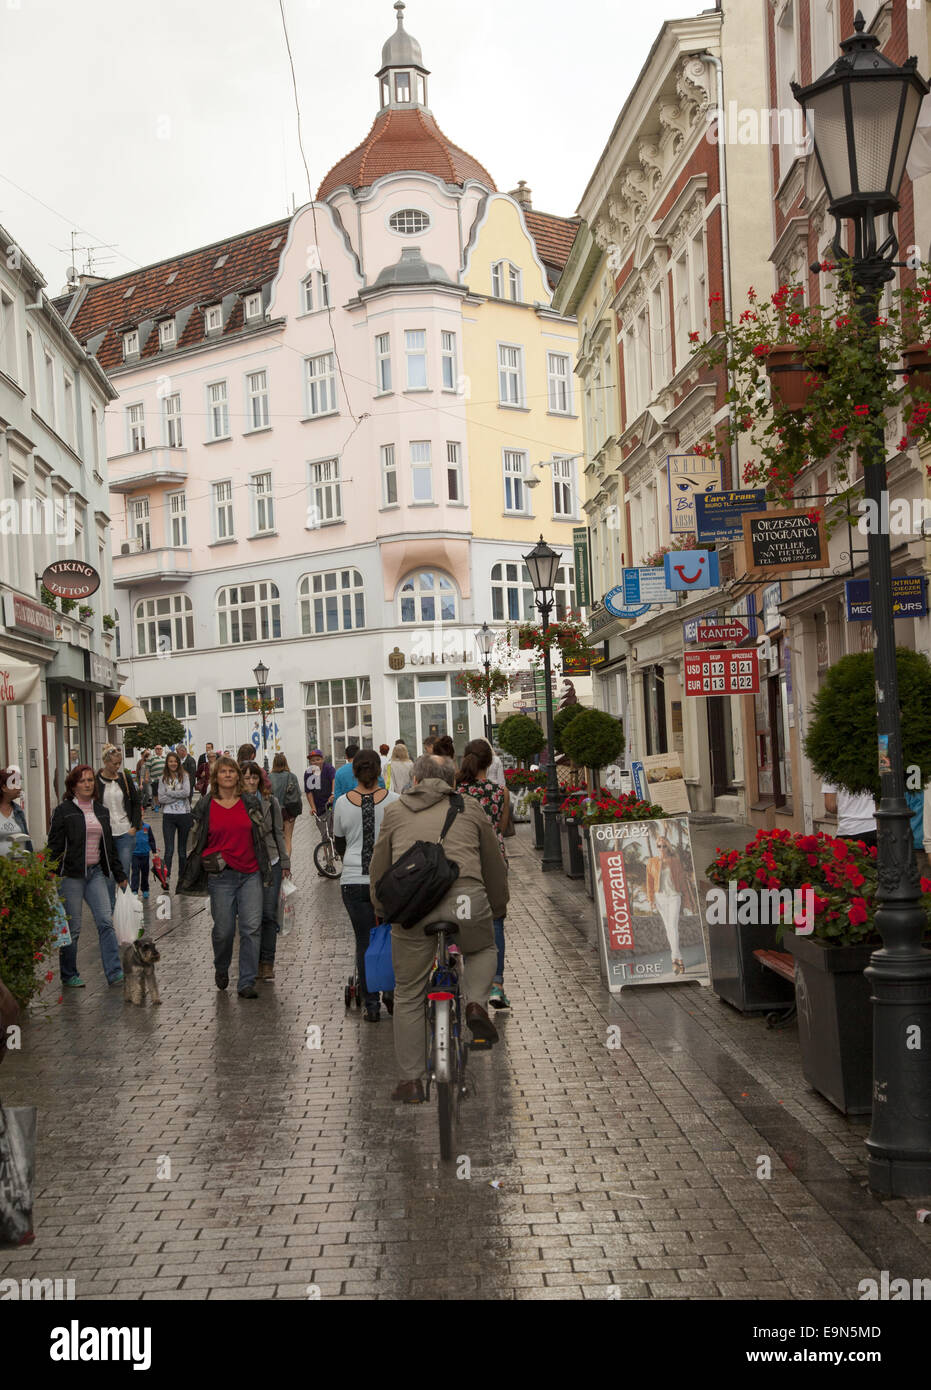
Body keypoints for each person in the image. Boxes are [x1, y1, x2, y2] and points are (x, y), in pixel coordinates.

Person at [369, 754, 508, 1103]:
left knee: (409, 993)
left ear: (415, 779)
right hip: (467, 901)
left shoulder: (396, 811)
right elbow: (493, 862)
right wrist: (498, 905)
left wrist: (382, 908)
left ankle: (411, 1081)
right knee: (481, 948)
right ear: (452, 782)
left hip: (415, 909)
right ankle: (476, 1003)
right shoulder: (471, 807)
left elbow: (379, 867)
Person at [178, 755, 270, 999]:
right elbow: (195, 839)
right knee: (224, 930)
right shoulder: (206, 805)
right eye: (223, 772)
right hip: (221, 876)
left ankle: (247, 982)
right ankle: (221, 966)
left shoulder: (249, 802)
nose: (228, 775)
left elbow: (262, 835)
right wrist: (202, 859)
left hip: (250, 873)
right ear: (215, 777)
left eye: (232, 771)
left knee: (251, 928)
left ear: (238, 776)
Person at [47, 763, 128, 988]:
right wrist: (48, 874)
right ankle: (69, 973)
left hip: (96, 874)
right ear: (73, 785)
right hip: (71, 876)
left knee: (105, 921)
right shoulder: (63, 811)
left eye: (90, 780)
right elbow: (53, 845)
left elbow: (109, 847)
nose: (87, 784)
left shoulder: (101, 810)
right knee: (73, 927)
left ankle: (114, 972)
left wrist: (120, 873)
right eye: (82, 781)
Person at [333, 748, 398, 1021]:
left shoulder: (342, 803)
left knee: (364, 941)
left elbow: (339, 843)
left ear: (354, 772)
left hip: (354, 880)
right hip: (388, 880)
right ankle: (391, 994)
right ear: (379, 771)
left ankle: (370, 1004)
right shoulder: (395, 801)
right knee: (391, 938)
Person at [457, 739, 512, 1009]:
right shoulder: (500, 791)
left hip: (463, 860)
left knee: (466, 919)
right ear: (490, 763)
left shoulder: (456, 792)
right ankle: (497, 986)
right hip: (493, 860)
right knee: (496, 921)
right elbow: (501, 829)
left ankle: (472, 984)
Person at [240, 761, 290, 982]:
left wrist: (286, 862)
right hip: (246, 864)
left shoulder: (271, 802)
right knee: (252, 917)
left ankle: (267, 962)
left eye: (254, 777)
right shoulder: (236, 803)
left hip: (272, 861)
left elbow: (279, 833)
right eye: (247, 777)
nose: (251, 782)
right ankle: (253, 961)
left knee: (269, 914)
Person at [646, 829, 698, 976]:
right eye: (659, 846)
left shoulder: (675, 861)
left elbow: (682, 882)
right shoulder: (652, 862)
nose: (661, 849)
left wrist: (687, 901)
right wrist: (651, 900)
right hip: (660, 898)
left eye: (663, 846)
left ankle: (676, 958)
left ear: (668, 847)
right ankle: (677, 960)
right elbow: (649, 883)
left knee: (672, 926)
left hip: (675, 896)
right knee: (668, 928)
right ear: (656, 847)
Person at [96, 743, 141, 908]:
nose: (117, 766)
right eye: (114, 763)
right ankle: (111, 907)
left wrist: (134, 827)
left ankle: (125, 907)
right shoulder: (96, 781)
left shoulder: (124, 779)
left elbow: (136, 803)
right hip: (105, 834)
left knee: (123, 871)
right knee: (108, 872)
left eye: (119, 763)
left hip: (124, 831)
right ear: (105, 762)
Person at [157, 750, 193, 889]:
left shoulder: (184, 776)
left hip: (184, 815)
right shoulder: (162, 778)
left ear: (178, 762)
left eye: (175, 761)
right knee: (169, 849)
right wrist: (177, 795)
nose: (173, 764)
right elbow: (161, 798)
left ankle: (182, 879)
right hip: (168, 816)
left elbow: (186, 793)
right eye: (170, 761)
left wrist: (170, 793)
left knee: (182, 851)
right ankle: (166, 878)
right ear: (167, 763)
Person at [822, 781, 877, 849]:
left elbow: (830, 806)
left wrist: (846, 811)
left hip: (848, 828)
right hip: (874, 826)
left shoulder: (829, 771)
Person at [270, 752, 302, 858]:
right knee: (288, 838)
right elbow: (298, 794)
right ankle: (287, 864)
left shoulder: (269, 777)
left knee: (277, 839)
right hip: (289, 810)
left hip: (274, 811)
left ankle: (279, 863)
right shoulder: (292, 776)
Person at [0, 766, 32, 855]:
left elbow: (26, 840)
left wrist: (31, 862)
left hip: (17, 867)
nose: (19, 788)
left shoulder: (18, 811)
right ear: (4, 787)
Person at [131, 819, 157, 899]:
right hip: (134, 854)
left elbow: (151, 840)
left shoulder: (147, 827)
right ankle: (134, 890)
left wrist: (154, 851)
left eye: (141, 815)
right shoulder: (131, 827)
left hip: (145, 854)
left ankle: (145, 889)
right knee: (135, 872)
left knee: (145, 873)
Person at [148, 745, 166, 810]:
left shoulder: (165, 758)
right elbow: (147, 768)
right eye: (157, 749)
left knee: (163, 792)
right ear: (155, 750)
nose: (159, 750)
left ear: (162, 750)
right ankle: (157, 805)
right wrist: (146, 777)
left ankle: (163, 804)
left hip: (164, 779)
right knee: (156, 793)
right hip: (155, 779)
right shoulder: (151, 758)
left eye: (160, 749)